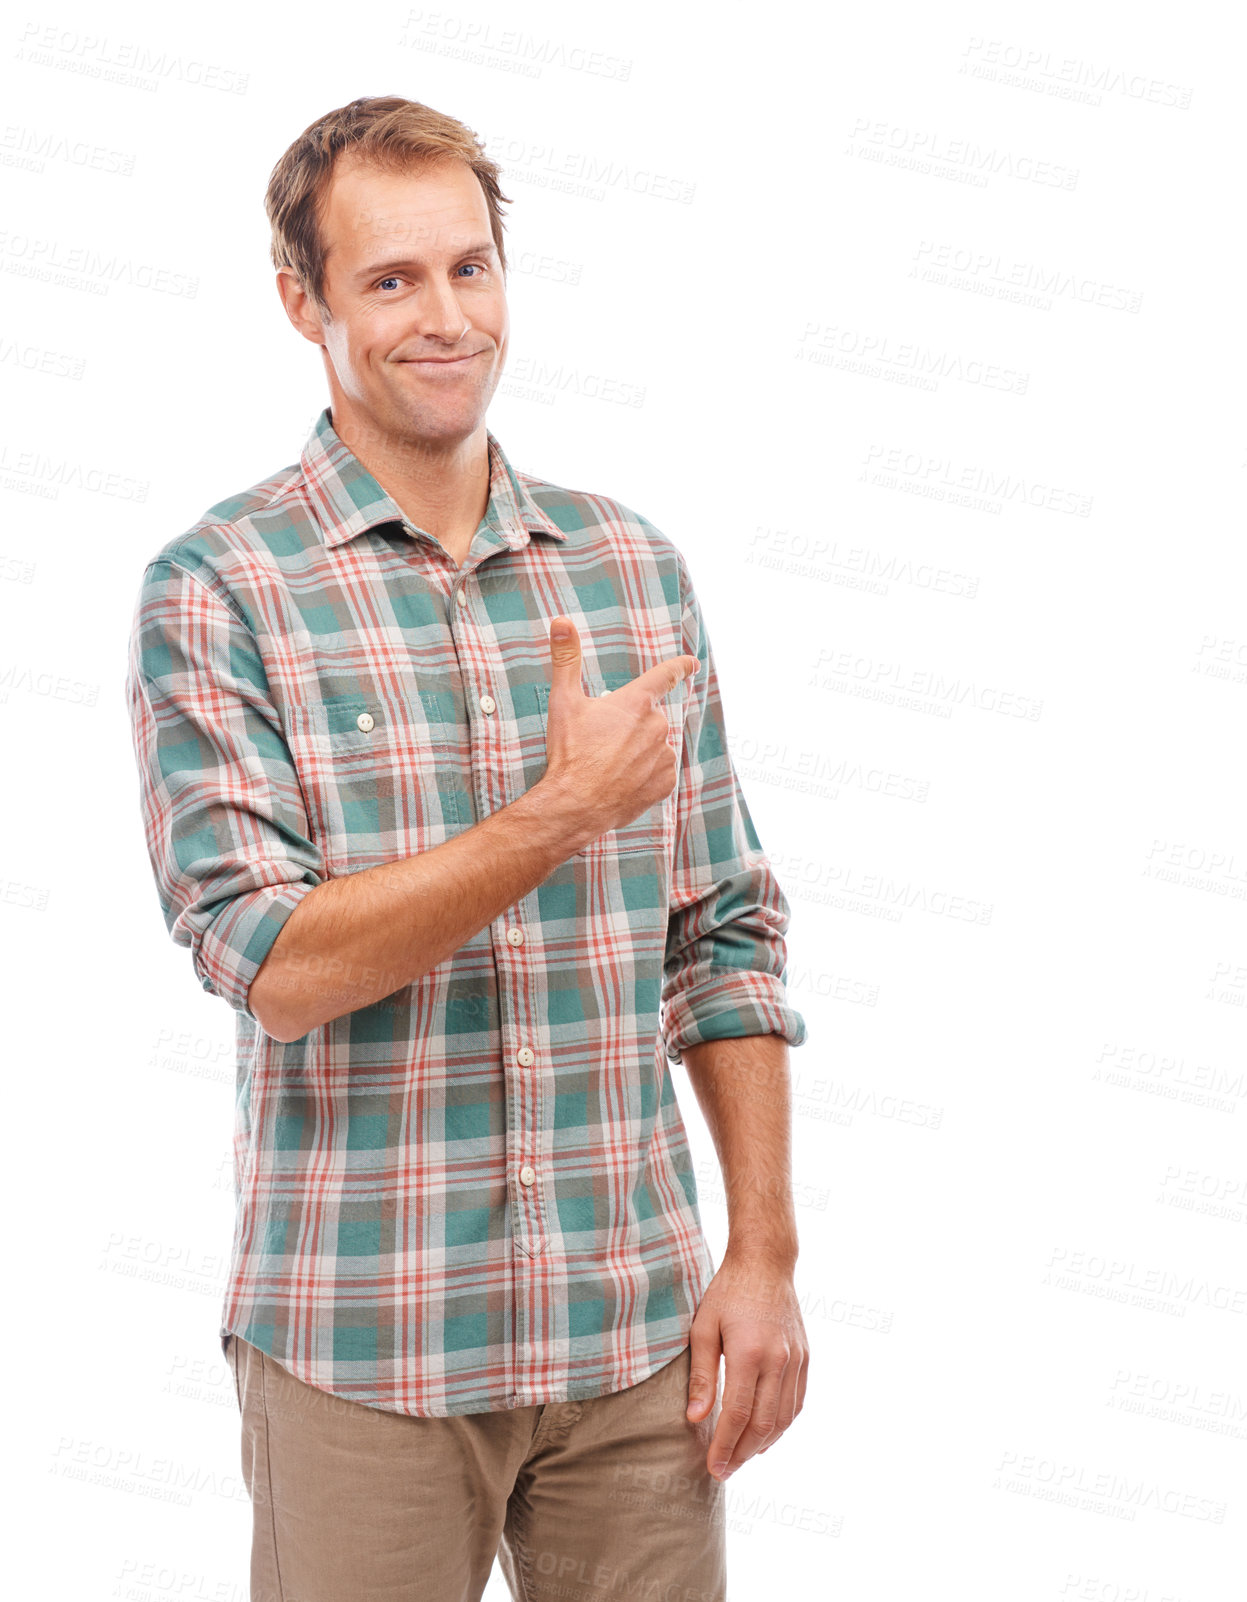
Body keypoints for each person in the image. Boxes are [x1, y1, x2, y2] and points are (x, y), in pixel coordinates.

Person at [124, 94, 809, 1602]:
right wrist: (560, 811)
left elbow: (728, 938)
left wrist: (761, 1253)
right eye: (390, 280)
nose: (446, 317)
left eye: (470, 269)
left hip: (630, 1347)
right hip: (364, 1346)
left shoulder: (631, 569)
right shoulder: (219, 591)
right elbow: (278, 966)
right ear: (300, 301)